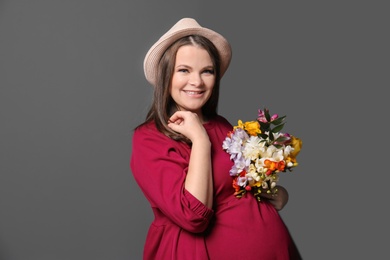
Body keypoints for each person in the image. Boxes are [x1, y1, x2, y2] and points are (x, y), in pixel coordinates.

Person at [130, 18, 302, 260]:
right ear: (166, 74)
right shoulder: (149, 138)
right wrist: (200, 140)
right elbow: (194, 216)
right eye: (184, 70)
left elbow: (241, 187)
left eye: (207, 71)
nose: (197, 82)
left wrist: (278, 194)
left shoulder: (221, 125)